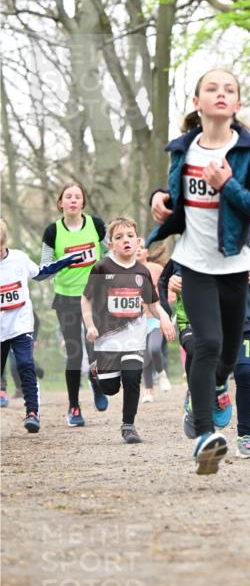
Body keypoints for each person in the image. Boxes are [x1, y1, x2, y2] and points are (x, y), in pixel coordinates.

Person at [147, 67, 250, 475]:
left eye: (229, 90)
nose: (220, 94)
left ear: (237, 104)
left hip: (235, 266)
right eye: (212, 88)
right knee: (205, 344)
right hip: (195, 263)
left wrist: (229, 187)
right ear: (197, 102)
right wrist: (160, 199)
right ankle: (205, 435)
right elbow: (175, 196)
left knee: (226, 353)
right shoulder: (182, 150)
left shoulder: (249, 151)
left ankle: (218, 386)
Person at [170, 219, 250, 459]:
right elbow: (181, 260)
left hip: (243, 310)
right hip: (208, 310)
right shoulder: (198, 217)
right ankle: (204, 416)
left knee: (246, 372)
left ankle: (245, 436)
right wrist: (175, 277)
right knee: (209, 361)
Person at [81, 217, 175, 445]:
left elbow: (153, 304)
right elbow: (86, 299)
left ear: (137, 241)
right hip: (107, 339)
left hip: (134, 336)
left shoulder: (142, 271)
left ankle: (128, 425)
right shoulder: (102, 267)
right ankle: (95, 373)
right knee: (110, 388)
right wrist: (90, 325)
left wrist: (164, 318)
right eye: (119, 237)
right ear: (111, 244)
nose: (126, 241)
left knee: (133, 377)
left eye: (130, 236)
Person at [0, 219, 81, 432]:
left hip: (21, 325)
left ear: (4, 242)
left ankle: (32, 413)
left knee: (25, 365)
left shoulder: (18, 258)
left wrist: (65, 261)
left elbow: (41, 273)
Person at [41, 181, 108, 426]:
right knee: (74, 352)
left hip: (94, 295)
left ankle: (97, 383)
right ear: (60, 203)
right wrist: (61, 263)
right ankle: (74, 407)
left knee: (95, 349)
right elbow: (44, 269)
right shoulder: (52, 232)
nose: (72, 200)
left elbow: (111, 253)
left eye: (77, 196)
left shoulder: (97, 225)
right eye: (68, 196)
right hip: (67, 298)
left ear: (82, 202)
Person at [136, 240, 171, 403]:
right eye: (135, 247)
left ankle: (161, 373)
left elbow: (168, 288)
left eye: (141, 247)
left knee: (154, 348)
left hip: (155, 317)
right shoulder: (126, 271)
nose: (137, 250)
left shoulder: (156, 269)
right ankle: (148, 390)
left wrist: (168, 311)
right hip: (136, 320)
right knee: (143, 356)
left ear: (147, 253)